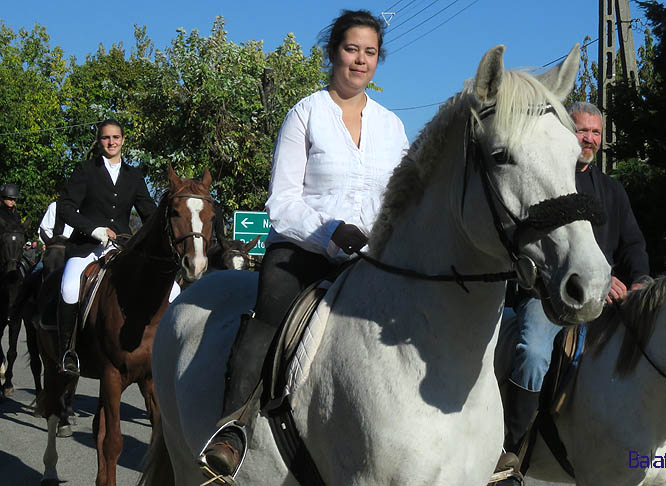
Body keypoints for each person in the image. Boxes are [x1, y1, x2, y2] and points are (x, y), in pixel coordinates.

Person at [198, 9, 409, 479]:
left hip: (371, 257)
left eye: (369, 52)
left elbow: (403, 198)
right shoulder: (306, 113)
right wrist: (331, 232)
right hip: (301, 249)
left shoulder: (393, 127)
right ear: (334, 52)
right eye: (351, 49)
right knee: (272, 313)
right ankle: (232, 427)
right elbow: (283, 201)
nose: (360, 60)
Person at [497, 101, 651, 483]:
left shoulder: (612, 190)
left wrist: (639, 281)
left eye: (596, 132)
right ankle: (512, 449)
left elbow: (633, 245)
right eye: (582, 130)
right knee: (532, 354)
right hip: (547, 299)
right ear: (567, 132)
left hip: (607, 300)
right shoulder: (546, 181)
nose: (590, 139)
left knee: (660, 347)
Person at [55, 119, 180, 378]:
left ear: (123, 140)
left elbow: (149, 213)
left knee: (175, 290)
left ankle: (167, 350)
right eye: (105, 138)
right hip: (88, 246)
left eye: (115, 137)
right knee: (68, 287)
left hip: (122, 247)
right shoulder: (85, 170)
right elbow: (65, 207)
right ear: (99, 141)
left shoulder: (134, 176)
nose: (111, 142)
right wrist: (93, 229)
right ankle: (67, 351)